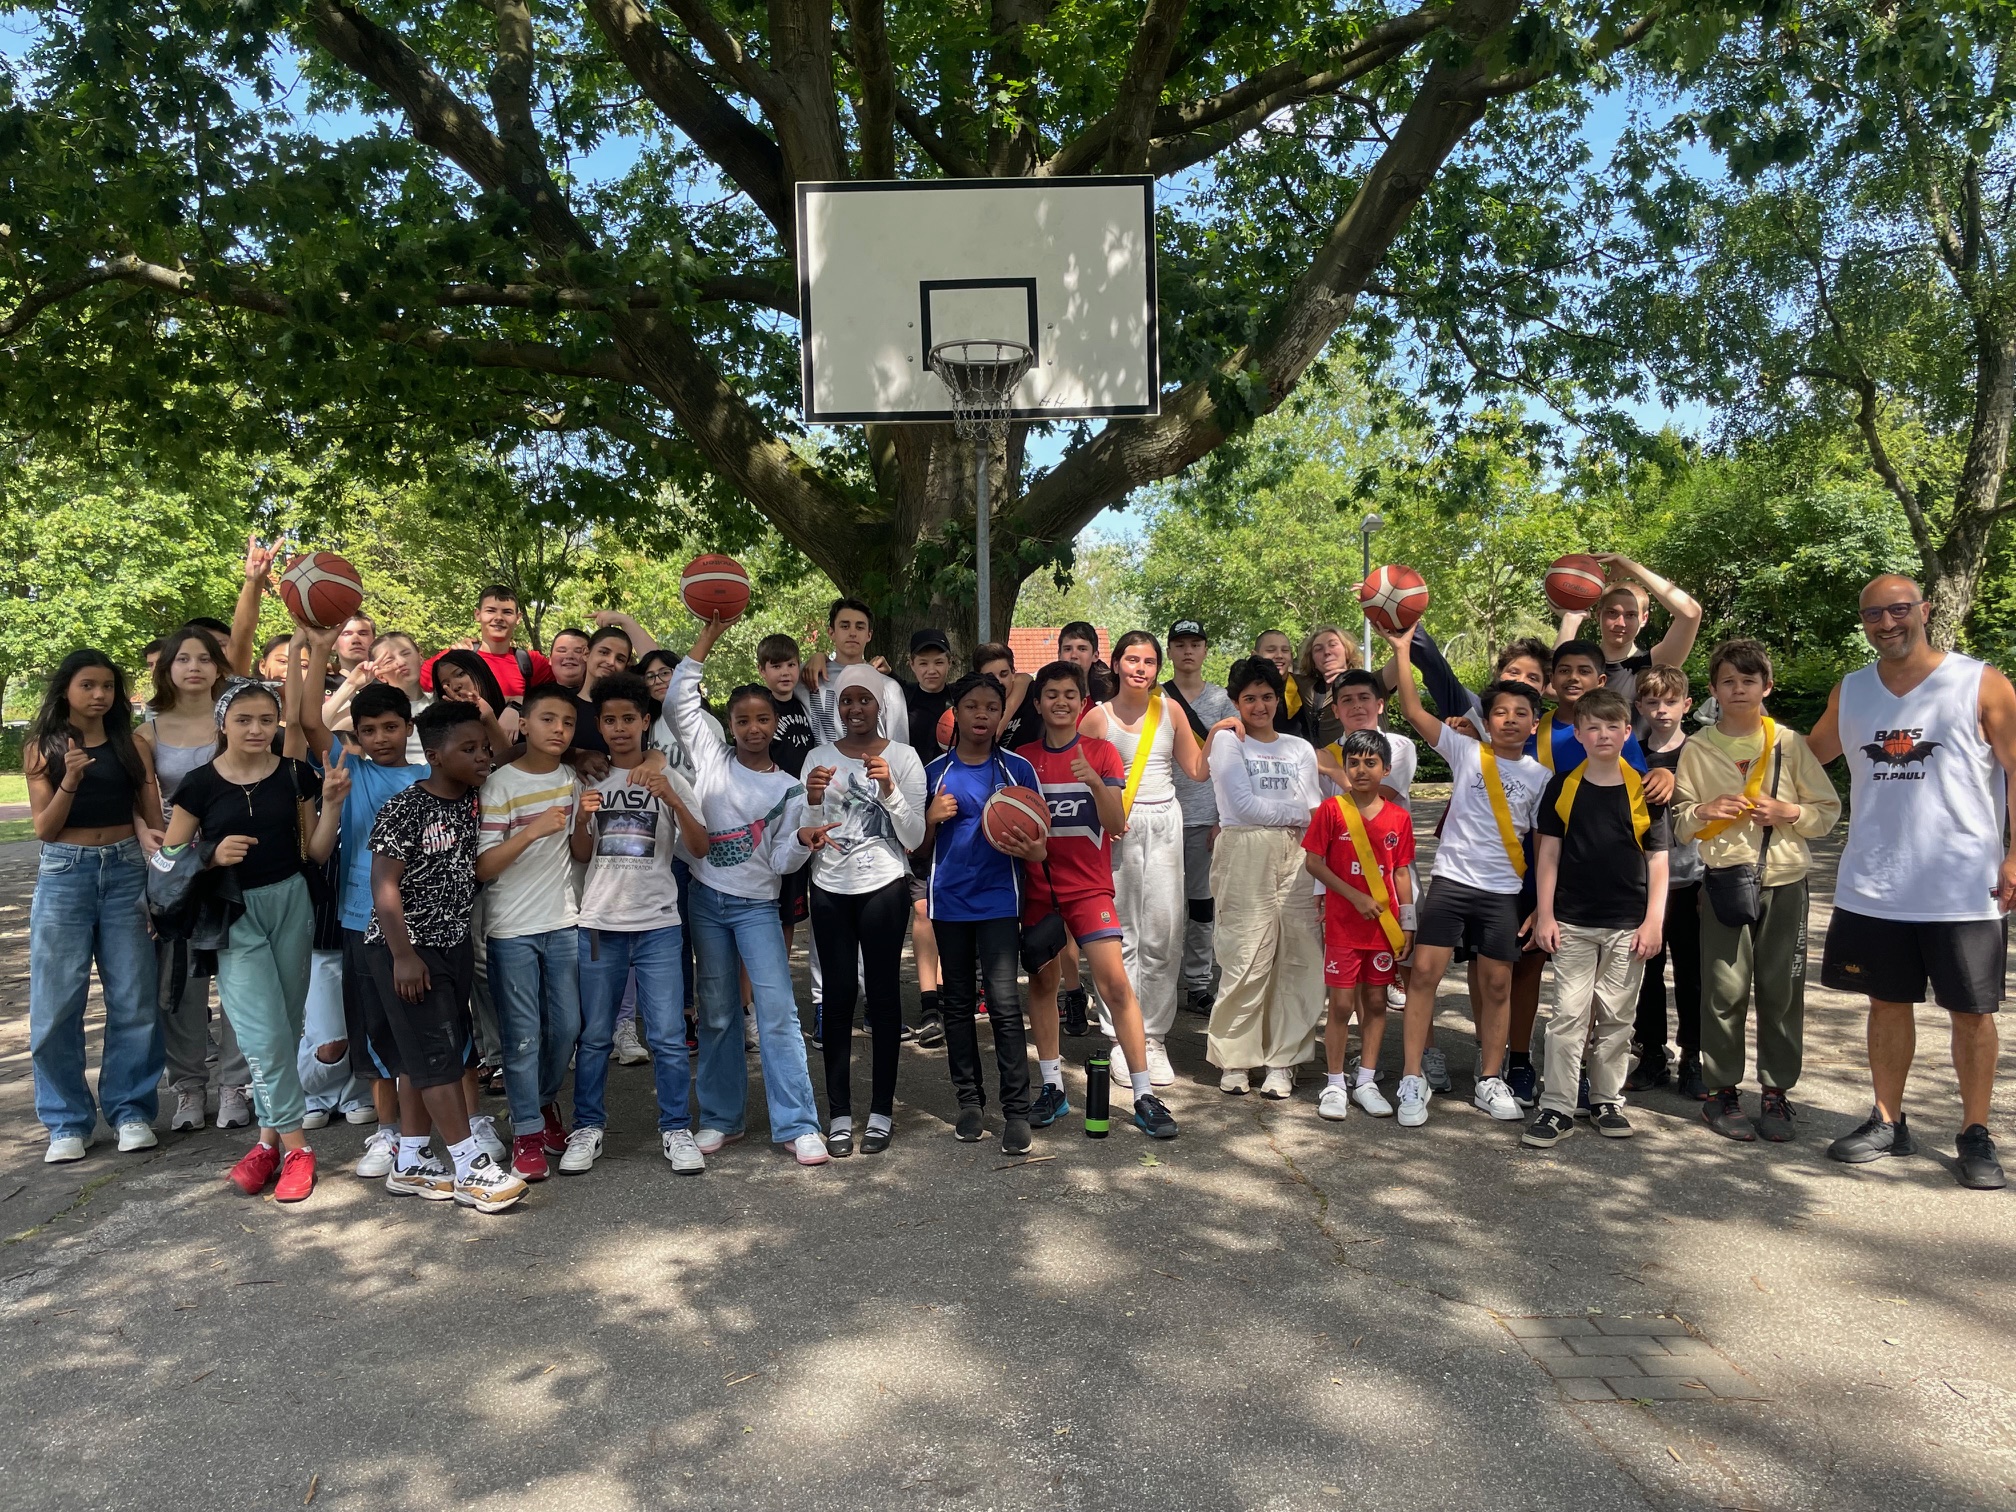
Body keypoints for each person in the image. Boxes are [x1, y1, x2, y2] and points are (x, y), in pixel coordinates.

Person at [1807, 575, 2016, 1189]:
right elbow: (1807, 755)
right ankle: (1887, 1120)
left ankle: (1974, 1132)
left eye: (1898, 609)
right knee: (1886, 1002)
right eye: (1873, 614)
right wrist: (1721, 747)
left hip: (1962, 883)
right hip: (1876, 880)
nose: (1887, 623)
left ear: (1923, 610)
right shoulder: (1852, 690)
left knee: (1971, 1012)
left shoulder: (1981, 683)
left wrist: (2015, 855)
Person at [158, 650, 343, 1202]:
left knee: (284, 1029)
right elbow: (168, 859)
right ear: (223, 724)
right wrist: (210, 855)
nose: (257, 729)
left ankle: (265, 1144)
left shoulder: (296, 774)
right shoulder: (198, 784)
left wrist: (332, 804)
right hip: (232, 913)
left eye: (266, 719)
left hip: (292, 904)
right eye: (244, 719)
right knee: (262, 1036)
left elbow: (314, 853)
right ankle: (299, 1149)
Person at [670, 617, 828, 1165]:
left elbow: (781, 862)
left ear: (775, 724)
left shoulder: (789, 789)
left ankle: (798, 1124)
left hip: (757, 908)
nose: (753, 728)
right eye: (743, 720)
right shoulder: (711, 756)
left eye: (763, 719)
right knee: (717, 1013)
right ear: (730, 726)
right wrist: (707, 636)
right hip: (706, 900)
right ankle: (720, 1118)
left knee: (778, 1012)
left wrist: (804, 838)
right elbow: (679, 702)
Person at [364, 701, 528, 1211]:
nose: (483, 757)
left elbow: (518, 756)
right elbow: (383, 885)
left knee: (430, 1055)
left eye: (484, 748)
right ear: (434, 756)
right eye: (469, 749)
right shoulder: (405, 808)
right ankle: (470, 1166)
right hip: (407, 951)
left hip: (452, 946)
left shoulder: (475, 796)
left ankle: (412, 1159)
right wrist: (403, 955)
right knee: (436, 1059)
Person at [1672, 641, 1840, 1142]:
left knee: (1780, 988)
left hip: (1784, 880)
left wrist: (1790, 812)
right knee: (1723, 989)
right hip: (1725, 881)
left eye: (1748, 681)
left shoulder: (1789, 743)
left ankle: (1776, 1091)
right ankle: (1721, 1091)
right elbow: (1679, 820)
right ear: (1713, 690)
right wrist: (1704, 811)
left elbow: (1826, 811)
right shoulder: (1698, 748)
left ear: (1767, 687)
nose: (1738, 689)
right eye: (1728, 681)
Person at [1380, 626, 1546, 1129]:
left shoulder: (1541, 777)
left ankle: (1490, 1078)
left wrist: (1543, 906)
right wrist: (1402, 651)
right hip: (1451, 883)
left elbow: (1544, 848)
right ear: (1486, 720)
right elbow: (1413, 710)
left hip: (1502, 892)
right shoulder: (1465, 751)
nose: (1510, 719)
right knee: (1424, 976)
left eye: (1521, 713)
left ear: (1535, 723)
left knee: (1497, 984)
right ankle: (1413, 1077)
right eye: (1501, 712)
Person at [1016, 661, 1180, 1139]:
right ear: (1038, 703)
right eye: (1051, 694)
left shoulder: (1102, 752)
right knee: (1043, 986)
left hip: (1089, 888)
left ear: (1082, 701)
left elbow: (1114, 823)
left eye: (1070, 694)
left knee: (1116, 986)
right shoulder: (1023, 760)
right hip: (1040, 890)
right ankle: (1052, 1087)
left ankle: (1144, 1093)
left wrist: (1091, 780)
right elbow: (1015, 824)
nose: (1061, 702)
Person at [563, 673, 712, 1175]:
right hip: (599, 923)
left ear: (646, 721)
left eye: (629, 718)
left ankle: (676, 1128)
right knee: (595, 1035)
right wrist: (581, 818)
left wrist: (672, 798)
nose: (620, 728)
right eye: (610, 720)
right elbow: (581, 854)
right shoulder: (587, 780)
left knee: (668, 1035)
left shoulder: (669, 779)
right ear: (600, 726)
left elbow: (700, 847)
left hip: (659, 925)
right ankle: (588, 1126)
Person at [25, 650, 166, 1163]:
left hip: (126, 869)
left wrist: (160, 879)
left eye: (107, 686)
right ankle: (66, 1122)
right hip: (65, 873)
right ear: (66, 689)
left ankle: (131, 1112)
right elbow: (44, 829)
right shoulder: (42, 747)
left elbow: (153, 819)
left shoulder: (131, 745)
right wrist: (69, 780)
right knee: (56, 1004)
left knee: (134, 997)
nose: (99, 695)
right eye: (88, 685)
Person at [1524, 688, 1672, 1148]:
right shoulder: (1563, 785)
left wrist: (1654, 922)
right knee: (1567, 1016)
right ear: (1579, 734)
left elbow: (1658, 859)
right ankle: (1557, 1105)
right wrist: (1545, 914)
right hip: (1572, 920)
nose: (1603, 734)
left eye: (1612, 726)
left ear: (1627, 732)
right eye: (1593, 726)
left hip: (1628, 924)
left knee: (1616, 1019)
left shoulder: (1644, 788)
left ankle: (1607, 1099)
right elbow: (1548, 853)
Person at [1078, 631, 1217, 1086]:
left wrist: (1219, 733)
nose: (1141, 668)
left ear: (1158, 668)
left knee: (1164, 934)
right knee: (1120, 938)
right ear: (1117, 663)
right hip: (1118, 829)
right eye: (1133, 659)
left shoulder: (1169, 710)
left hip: (1165, 824)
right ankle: (1122, 1037)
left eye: (1150, 661)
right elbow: (1077, 781)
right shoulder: (1097, 718)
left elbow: (1196, 769)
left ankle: (1153, 1038)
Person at [803, 667, 928, 1154]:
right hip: (829, 887)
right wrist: (814, 799)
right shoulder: (818, 757)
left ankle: (880, 1111)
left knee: (882, 999)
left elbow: (914, 837)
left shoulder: (904, 757)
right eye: (846, 700)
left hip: (884, 887)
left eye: (864, 700)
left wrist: (890, 789)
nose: (854, 709)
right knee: (836, 1000)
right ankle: (839, 1114)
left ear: (880, 706)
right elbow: (808, 832)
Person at [922, 672, 1045, 1152]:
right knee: (956, 1004)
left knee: (1004, 1003)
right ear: (956, 712)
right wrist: (930, 819)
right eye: (972, 706)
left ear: (1000, 715)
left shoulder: (1018, 770)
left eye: (991, 708)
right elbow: (916, 847)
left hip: (999, 901)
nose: (981, 715)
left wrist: (1033, 849)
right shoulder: (934, 772)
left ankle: (1016, 1110)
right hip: (949, 901)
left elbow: (1041, 844)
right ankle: (969, 1103)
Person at [138, 626, 250, 1132]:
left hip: (236, 861)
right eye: (183, 659)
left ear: (218, 666)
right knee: (181, 985)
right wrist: (149, 837)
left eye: (204, 658)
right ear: (167, 668)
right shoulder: (147, 733)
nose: (194, 667)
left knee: (240, 982)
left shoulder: (235, 722)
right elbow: (143, 805)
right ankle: (187, 1086)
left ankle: (234, 1084)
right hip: (178, 868)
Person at [477, 685, 587, 1181]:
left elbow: (581, 852)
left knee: (566, 1029)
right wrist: (532, 830)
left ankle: (541, 1105)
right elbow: (483, 867)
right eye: (547, 719)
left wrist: (582, 821)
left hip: (563, 922)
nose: (559, 729)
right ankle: (526, 1131)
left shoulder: (572, 780)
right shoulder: (499, 785)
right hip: (511, 929)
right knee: (522, 1036)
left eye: (567, 722)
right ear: (523, 724)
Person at [1203, 656, 1324, 1097]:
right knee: (1245, 954)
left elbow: (1314, 810)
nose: (1259, 706)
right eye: (1250, 698)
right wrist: (1294, 813)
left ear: (1278, 699)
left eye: (1267, 697)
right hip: (1244, 851)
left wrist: (1296, 817)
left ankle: (1283, 1060)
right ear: (1236, 702)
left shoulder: (1299, 748)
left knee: (1299, 956)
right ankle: (1235, 1059)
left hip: (1299, 855)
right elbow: (1242, 807)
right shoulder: (1228, 742)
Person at [324, 679, 428, 1180]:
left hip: (425, 922)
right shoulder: (352, 772)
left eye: (391, 727)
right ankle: (388, 1132)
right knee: (375, 1030)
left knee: (426, 1030)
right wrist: (315, 647)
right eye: (368, 730)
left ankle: (421, 1132)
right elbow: (308, 721)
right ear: (357, 735)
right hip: (360, 919)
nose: (381, 738)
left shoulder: (432, 775)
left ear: (409, 727)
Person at [1303, 729, 1415, 1121]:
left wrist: (1408, 923)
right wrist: (1355, 897)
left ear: (1386, 769)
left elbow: (1401, 872)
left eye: (1371, 763)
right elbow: (1313, 862)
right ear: (1345, 767)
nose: (1362, 770)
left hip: (1383, 928)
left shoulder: (1399, 818)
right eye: (1354, 763)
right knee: (1341, 1004)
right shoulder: (1332, 810)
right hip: (1342, 926)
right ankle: (1335, 1083)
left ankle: (1366, 1080)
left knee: (1377, 1002)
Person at [1626, 665, 1708, 1096]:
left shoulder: (1702, 752)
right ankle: (1652, 1053)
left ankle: (1694, 1055)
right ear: (1639, 707)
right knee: (1647, 972)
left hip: (1693, 877)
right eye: (1652, 702)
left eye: (1670, 701)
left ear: (1686, 705)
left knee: (1693, 973)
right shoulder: (1632, 754)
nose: (1661, 710)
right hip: (1645, 883)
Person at [1164, 619, 1237, 1017]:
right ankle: (1160, 984)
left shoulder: (1223, 701)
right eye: (1180, 644)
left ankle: (1198, 983)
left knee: (1203, 907)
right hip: (1163, 816)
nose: (1188, 651)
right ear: (1169, 651)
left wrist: (1223, 817)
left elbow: (1233, 763)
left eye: (1195, 644)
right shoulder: (1156, 698)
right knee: (1163, 910)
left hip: (1206, 818)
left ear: (1206, 650)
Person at [1553, 554, 1704, 710]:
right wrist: (1570, 620)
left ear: (1644, 618)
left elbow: (1691, 614)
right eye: (1612, 613)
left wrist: (1633, 569)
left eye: (1630, 615)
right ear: (1599, 614)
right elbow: (1550, 688)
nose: (1620, 623)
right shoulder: (1580, 667)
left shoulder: (1652, 666)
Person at [899, 629, 955, 1045]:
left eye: (938, 661)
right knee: (921, 909)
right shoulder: (900, 698)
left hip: (958, 810)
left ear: (950, 663)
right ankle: (929, 1004)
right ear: (912, 665)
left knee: (949, 909)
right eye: (923, 662)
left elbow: (1019, 683)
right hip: (915, 813)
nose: (931, 669)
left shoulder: (963, 698)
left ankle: (956, 995)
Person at [807, 598, 909, 744]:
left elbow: (899, 746)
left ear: (869, 635)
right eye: (845, 626)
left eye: (860, 627)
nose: (852, 633)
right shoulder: (810, 675)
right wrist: (818, 656)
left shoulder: (888, 686)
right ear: (831, 632)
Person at [1288, 625, 1364, 748]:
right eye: (1318, 649)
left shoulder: (1372, 682)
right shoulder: (1307, 687)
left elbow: (1396, 667)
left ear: (1347, 651)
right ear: (1312, 661)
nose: (1327, 652)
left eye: (1333, 645)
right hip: (1325, 758)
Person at [1058, 622, 1116, 703]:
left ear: (1095, 656)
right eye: (1067, 649)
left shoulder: (1110, 701)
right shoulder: (1045, 698)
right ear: (1059, 655)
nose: (1074, 655)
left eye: (1082, 649)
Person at [548, 628, 591, 692]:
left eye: (579, 651)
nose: (569, 656)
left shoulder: (604, 695)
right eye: (562, 651)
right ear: (550, 659)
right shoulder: (538, 695)